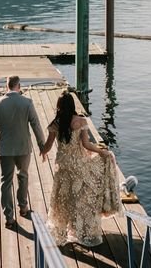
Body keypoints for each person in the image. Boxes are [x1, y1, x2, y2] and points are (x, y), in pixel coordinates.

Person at [40, 90, 122, 246]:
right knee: (81, 196)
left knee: (62, 198)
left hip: (63, 165)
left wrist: (42, 151)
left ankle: (62, 230)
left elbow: (48, 146)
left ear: (59, 106)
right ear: (72, 105)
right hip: (78, 164)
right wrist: (101, 151)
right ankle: (80, 229)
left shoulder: (55, 124)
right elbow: (86, 144)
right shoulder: (81, 121)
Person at [0, 75, 45, 229]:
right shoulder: (27, 102)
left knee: (5, 182)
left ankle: (9, 217)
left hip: (5, 150)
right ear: (18, 86)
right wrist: (42, 146)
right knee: (23, 176)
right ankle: (23, 208)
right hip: (23, 147)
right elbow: (36, 126)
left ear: (7, 86)